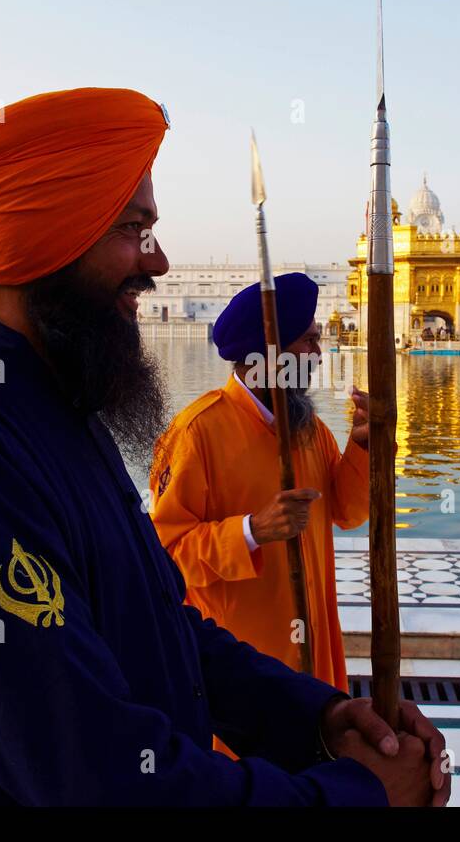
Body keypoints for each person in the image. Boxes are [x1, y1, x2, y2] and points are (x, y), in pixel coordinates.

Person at [0, 87, 449, 806]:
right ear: (49, 239)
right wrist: (355, 795)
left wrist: (317, 717)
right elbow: (98, 772)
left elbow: (162, 628)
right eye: (134, 228)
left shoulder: (58, 411)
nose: (158, 261)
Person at [148, 274, 369, 702]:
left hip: (312, 649)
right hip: (241, 663)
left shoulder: (308, 429)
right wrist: (250, 531)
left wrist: (362, 444)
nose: (319, 355)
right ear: (269, 355)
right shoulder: (196, 432)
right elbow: (166, 558)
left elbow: (348, 512)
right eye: (307, 341)